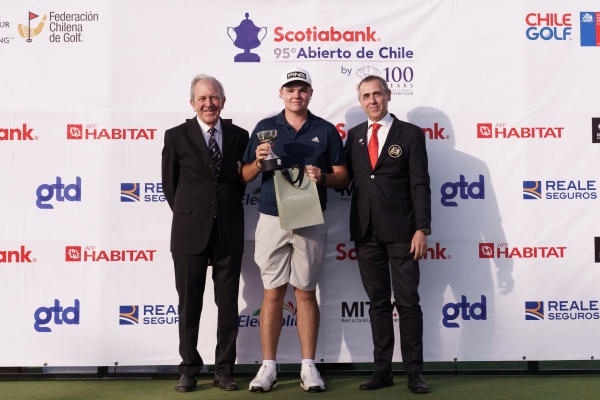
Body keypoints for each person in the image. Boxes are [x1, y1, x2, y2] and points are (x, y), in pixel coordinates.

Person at [241, 67, 349, 393]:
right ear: (281, 93)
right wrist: (258, 161)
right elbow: (244, 175)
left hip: (309, 218)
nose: (296, 95)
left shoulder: (325, 130)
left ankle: (308, 366)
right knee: (272, 292)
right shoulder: (265, 129)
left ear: (310, 93)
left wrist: (323, 177)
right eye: (290, 89)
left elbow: (343, 177)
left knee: (305, 292)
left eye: (302, 89)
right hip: (272, 218)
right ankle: (268, 366)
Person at [162, 74, 249, 393]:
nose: (208, 104)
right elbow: (170, 186)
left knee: (227, 305)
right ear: (192, 103)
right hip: (189, 232)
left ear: (223, 101)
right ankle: (188, 369)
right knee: (189, 305)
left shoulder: (240, 136)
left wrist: (222, 209)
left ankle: (224, 370)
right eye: (202, 98)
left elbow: (240, 182)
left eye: (213, 98)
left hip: (228, 229)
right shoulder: (176, 136)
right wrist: (193, 214)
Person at [344, 75, 431, 394]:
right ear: (360, 101)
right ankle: (382, 370)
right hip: (365, 232)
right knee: (377, 303)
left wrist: (422, 228)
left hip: (403, 231)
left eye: (377, 94)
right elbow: (345, 179)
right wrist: (317, 176)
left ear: (389, 95)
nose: (372, 100)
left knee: (408, 303)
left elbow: (420, 183)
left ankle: (414, 373)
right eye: (366, 96)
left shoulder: (410, 134)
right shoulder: (354, 136)